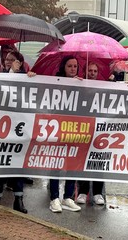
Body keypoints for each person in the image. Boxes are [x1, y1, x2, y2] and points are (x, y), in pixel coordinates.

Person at [0, 49, 36, 214]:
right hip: (2, 129)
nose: (8, 62)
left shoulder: (26, 76)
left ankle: (18, 199)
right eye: (7, 59)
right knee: (0, 164)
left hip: (19, 129)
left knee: (18, 165)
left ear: (20, 62)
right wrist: (10, 72)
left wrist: (27, 74)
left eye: (12, 59)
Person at [49, 55, 81, 213]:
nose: (73, 69)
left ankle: (68, 197)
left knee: (72, 164)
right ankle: (54, 198)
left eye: (75, 66)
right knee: (55, 164)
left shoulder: (82, 83)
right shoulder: (55, 82)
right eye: (70, 66)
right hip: (58, 128)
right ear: (63, 67)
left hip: (74, 129)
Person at [76, 62, 105, 205]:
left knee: (99, 160)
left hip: (100, 129)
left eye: (95, 70)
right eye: (90, 70)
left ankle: (98, 193)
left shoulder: (104, 86)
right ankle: (83, 191)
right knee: (83, 160)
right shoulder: (78, 84)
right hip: (84, 128)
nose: (92, 73)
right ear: (85, 71)